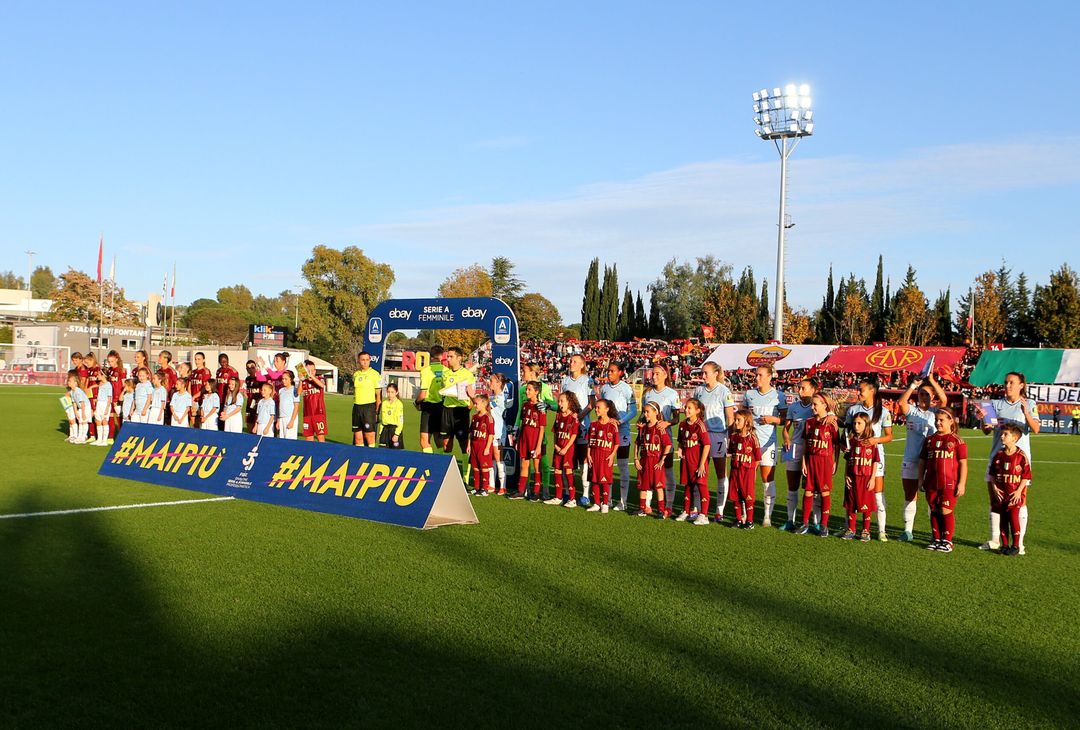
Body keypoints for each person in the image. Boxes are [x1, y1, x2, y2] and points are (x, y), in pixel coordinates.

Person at [977, 371, 1039, 553]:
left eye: (1012, 382)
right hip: (997, 459)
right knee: (996, 501)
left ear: (1021, 385)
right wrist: (984, 421)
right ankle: (995, 540)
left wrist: (1026, 413)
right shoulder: (994, 404)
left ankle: (1019, 544)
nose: (1007, 385)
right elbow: (986, 430)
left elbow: (1036, 428)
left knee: (1019, 501)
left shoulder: (1029, 403)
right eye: (1006, 382)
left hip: (1018, 462)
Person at [897, 373, 948, 541]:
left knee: (932, 497)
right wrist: (913, 385)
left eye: (927, 394)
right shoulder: (912, 411)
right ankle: (907, 531)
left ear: (932, 397)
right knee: (910, 494)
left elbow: (944, 400)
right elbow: (901, 403)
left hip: (931, 461)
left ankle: (935, 533)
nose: (924, 396)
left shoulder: (935, 412)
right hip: (911, 459)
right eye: (921, 393)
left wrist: (932, 380)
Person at [844, 377, 894, 541]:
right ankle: (849, 528)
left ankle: (881, 530)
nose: (858, 392)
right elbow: (847, 432)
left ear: (872, 390)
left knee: (876, 495)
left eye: (861, 390)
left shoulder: (883, 411)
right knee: (852, 494)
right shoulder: (853, 410)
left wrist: (875, 440)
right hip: (856, 459)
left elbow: (889, 436)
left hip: (874, 459)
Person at [918, 407, 968, 553]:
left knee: (945, 510)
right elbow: (922, 461)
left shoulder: (957, 441)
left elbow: (963, 463)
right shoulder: (929, 440)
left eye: (941, 420)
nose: (938, 423)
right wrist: (920, 480)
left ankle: (947, 541)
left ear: (951, 421)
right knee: (934, 509)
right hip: (931, 481)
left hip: (949, 483)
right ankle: (936, 539)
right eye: (936, 420)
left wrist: (962, 483)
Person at [743, 364, 786, 527]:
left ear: (769, 377)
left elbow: (785, 419)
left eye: (760, 375)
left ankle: (767, 515)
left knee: (767, 480)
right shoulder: (749, 394)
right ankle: (746, 512)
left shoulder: (778, 396)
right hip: (750, 444)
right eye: (756, 375)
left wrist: (773, 420)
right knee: (747, 479)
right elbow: (743, 416)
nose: (757, 378)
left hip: (768, 443)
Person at [693, 362, 735, 523]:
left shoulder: (724, 391)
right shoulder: (699, 390)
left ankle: (719, 510)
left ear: (716, 373)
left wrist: (730, 439)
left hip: (718, 436)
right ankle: (697, 507)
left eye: (706, 373)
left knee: (720, 473)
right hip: (700, 436)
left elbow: (730, 418)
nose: (703, 376)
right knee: (699, 471)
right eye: (702, 373)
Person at [797, 393, 841, 537]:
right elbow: (805, 443)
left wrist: (836, 462)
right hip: (810, 460)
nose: (812, 407)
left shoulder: (831, 423)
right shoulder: (809, 422)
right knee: (808, 491)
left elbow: (837, 445)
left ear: (824, 405)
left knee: (824, 492)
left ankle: (824, 525)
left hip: (825, 461)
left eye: (815, 404)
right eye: (812, 404)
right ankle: (804, 523)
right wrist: (804, 461)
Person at [642, 363, 681, 513]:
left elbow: (677, 418)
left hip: (664, 440)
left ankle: (669, 505)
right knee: (648, 472)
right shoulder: (647, 393)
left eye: (657, 373)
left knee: (668, 471)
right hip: (649, 441)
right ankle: (646, 505)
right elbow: (644, 415)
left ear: (665, 375)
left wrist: (667, 423)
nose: (654, 376)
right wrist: (641, 423)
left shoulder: (672, 394)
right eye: (653, 373)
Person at [780, 377, 817, 531]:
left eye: (803, 388)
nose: (800, 391)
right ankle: (790, 520)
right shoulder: (793, 407)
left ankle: (815, 522)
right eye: (799, 388)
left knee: (813, 488)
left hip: (813, 451)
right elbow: (786, 429)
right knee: (792, 486)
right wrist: (787, 438)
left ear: (813, 390)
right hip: (794, 448)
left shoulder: (818, 406)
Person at [600, 362, 637, 511]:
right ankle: (607, 499)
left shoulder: (627, 389)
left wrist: (620, 422)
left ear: (620, 372)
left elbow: (633, 411)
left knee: (622, 466)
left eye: (612, 371)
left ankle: (623, 501)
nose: (609, 373)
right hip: (607, 433)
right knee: (607, 466)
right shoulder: (604, 389)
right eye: (608, 371)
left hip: (622, 432)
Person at [989, 424, 1031, 556]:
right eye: (1002, 434)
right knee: (1003, 520)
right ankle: (1005, 545)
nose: (1001, 436)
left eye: (1005, 434)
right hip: (1001, 494)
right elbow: (992, 474)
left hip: (1014, 495)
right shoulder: (999, 454)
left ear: (1014, 438)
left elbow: (1026, 476)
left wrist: (1018, 492)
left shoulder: (1021, 456)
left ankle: (1016, 545)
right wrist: (995, 488)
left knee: (1013, 519)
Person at [560, 354, 596, 502]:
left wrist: (579, 416)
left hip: (582, 425)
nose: (571, 363)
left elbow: (592, 404)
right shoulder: (565, 380)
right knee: (566, 459)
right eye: (571, 361)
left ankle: (585, 494)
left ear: (582, 365)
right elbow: (561, 402)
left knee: (583, 460)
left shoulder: (588, 380)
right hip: (567, 426)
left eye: (575, 361)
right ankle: (567, 491)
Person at [841, 412, 879, 542]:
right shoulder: (851, 441)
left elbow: (875, 461)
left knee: (866, 504)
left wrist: (873, 478)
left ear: (866, 424)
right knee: (851, 504)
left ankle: (866, 530)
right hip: (852, 476)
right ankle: (851, 529)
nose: (856, 426)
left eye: (859, 423)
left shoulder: (871, 442)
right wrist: (846, 475)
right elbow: (847, 461)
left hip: (866, 477)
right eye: (854, 423)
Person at [676, 398, 711, 525]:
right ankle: (686, 511)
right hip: (686, 461)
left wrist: (702, 464)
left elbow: (707, 445)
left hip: (698, 462)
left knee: (702, 486)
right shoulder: (682, 425)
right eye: (685, 407)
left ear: (697, 410)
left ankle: (704, 515)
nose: (686, 410)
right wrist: (680, 449)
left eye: (689, 408)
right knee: (688, 485)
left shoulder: (700, 425)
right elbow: (681, 441)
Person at [635, 402, 673, 518]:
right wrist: (636, 459)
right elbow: (637, 443)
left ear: (656, 412)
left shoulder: (660, 428)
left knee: (659, 487)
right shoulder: (643, 428)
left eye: (648, 412)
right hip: (644, 461)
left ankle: (661, 510)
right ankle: (642, 508)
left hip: (656, 462)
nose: (645, 414)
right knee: (643, 486)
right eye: (644, 412)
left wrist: (662, 460)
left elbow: (668, 444)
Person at [726, 409, 761, 528]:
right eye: (735, 419)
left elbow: (758, 458)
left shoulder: (752, 438)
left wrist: (753, 472)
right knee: (735, 495)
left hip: (747, 471)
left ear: (747, 422)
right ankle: (739, 519)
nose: (736, 422)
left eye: (738, 420)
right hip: (735, 470)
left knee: (748, 496)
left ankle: (750, 521)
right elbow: (730, 452)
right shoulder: (734, 436)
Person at [512, 382, 547, 501]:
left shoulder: (540, 408)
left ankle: (536, 492)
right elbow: (523, 424)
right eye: (526, 389)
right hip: (524, 439)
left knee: (537, 467)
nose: (526, 392)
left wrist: (538, 446)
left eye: (529, 390)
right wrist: (518, 439)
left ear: (536, 392)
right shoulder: (525, 405)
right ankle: (521, 491)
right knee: (524, 465)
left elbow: (542, 428)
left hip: (535, 441)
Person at [547, 392, 582, 507]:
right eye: (558, 401)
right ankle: (558, 497)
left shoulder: (573, 418)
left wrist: (566, 448)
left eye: (562, 401)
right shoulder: (558, 416)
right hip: (558, 449)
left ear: (569, 402)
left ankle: (572, 499)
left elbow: (574, 435)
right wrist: (555, 445)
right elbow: (555, 432)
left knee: (568, 472)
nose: (559, 403)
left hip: (568, 450)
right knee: (557, 471)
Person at [586, 399, 620, 514]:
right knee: (594, 480)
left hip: (606, 457)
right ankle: (596, 503)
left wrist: (612, 455)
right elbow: (590, 442)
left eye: (598, 407)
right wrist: (588, 454)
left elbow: (617, 443)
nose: (596, 409)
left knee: (605, 481)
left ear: (606, 409)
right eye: (595, 407)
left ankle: (605, 503)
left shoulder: (613, 425)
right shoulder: (593, 424)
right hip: (594, 455)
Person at [439, 347, 475, 454]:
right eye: (448, 356)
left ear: (459, 358)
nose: (448, 359)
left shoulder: (467, 375)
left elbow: (471, 395)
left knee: (463, 443)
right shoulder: (445, 374)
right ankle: (446, 464)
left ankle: (465, 465)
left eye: (451, 356)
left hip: (461, 411)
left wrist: (467, 409)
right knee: (446, 444)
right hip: (447, 410)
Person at [416, 345, 445, 454]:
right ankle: (443, 461)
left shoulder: (426, 371)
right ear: (441, 356)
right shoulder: (446, 370)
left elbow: (423, 395)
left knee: (424, 441)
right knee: (438, 439)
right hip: (442, 406)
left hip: (429, 407)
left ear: (430, 356)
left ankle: (430, 462)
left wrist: (416, 402)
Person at [351, 351, 382, 447]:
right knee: (358, 437)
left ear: (370, 360)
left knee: (369, 435)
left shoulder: (375, 374)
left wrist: (377, 413)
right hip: (357, 407)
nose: (365, 362)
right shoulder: (356, 375)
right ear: (359, 361)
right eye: (363, 360)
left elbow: (378, 396)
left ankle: (371, 454)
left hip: (369, 408)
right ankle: (360, 455)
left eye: (367, 360)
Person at [467, 394, 496, 496]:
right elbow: (471, 432)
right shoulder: (474, 417)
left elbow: (491, 434)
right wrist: (469, 445)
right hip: (474, 445)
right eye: (474, 403)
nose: (475, 405)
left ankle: (485, 488)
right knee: (475, 467)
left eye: (477, 403)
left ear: (484, 404)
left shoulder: (488, 418)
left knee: (484, 467)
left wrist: (487, 448)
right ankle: (477, 487)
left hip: (483, 446)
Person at [487, 373, 510, 493]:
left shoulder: (501, 398)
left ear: (499, 383)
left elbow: (487, 407)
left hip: (499, 432)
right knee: (491, 457)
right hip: (490, 432)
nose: (489, 383)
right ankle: (491, 484)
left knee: (499, 457)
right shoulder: (492, 397)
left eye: (491, 381)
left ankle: (502, 485)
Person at [299, 360, 328, 442]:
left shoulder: (319, 379)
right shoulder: (304, 381)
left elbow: (322, 385)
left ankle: (322, 451)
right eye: (308, 371)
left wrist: (312, 376)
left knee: (320, 437)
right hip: (307, 413)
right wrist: (301, 380)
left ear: (315, 371)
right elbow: (298, 392)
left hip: (318, 413)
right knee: (309, 438)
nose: (310, 372)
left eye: (312, 370)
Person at [104, 350, 127, 439]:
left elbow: (124, 384)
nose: (110, 363)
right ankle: (110, 437)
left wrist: (122, 395)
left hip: (118, 396)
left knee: (119, 416)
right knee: (110, 415)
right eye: (109, 361)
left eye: (112, 361)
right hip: (110, 395)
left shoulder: (121, 370)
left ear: (117, 359)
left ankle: (122, 436)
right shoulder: (109, 370)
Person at [91, 369, 114, 446]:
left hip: (105, 404)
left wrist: (107, 408)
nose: (97, 376)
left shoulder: (108, 385)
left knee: (104, 421)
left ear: (103, 375)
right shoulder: (101, 384)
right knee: (98, 421)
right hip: (99, 404)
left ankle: (104, 440)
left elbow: (109, 397)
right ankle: (99, 439)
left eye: (99, 374)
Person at [215, 354, 238, 428]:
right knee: (218, 418)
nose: (224, 363)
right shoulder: (218, 371)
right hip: (219, 398)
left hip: (227, 399)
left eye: (225, 361)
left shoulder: (232, 371)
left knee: (225, 419)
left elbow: (236, 385)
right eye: (222, 362)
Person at [67, 373, 91, 444]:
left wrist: (83, 413)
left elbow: (82, 403)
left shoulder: (78, 391)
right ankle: (79, 437)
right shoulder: (72, 392)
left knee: (84, 421)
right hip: (80, 408)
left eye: (70, 381)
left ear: (75, 383)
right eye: (68, 381)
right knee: (80, 422)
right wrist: (76, 412)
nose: (68, 382)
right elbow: (74, 403)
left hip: (85, 407)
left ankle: (83, 437)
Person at [378, 382, 404, 448]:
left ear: (396, 392)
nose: (390, 394)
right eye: (388, 392)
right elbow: (383, 420)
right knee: (382, 451)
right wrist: (380, 433)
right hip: (385, 430)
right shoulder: (384, 403)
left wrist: (397, 434)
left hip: (394, 430)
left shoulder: (399, 404)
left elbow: (400, 421)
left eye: (392, 392)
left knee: (395, 452)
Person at [189, 352, 212, 427]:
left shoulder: (206, 372)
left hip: (201, 400)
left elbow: (206, 387)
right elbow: (189, 385)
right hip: (193, 400)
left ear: (203, 360)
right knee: (194, 423)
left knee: (200, 423)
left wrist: (195, 396)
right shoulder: (193, 372)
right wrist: (190, 397)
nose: (197, 361)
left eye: (199, 359)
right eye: (195, 359)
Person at [277, 371, 299, 439]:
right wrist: (278, 420)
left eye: (286, 379)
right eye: (283, 379)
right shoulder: (281, 391)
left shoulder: (295, 390)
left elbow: (296, 407)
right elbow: (280, 406)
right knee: (282, 438)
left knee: (290, 439)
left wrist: (292, 421)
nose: (283, 381)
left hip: (290, 417)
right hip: (282, 418)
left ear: (291, 379)